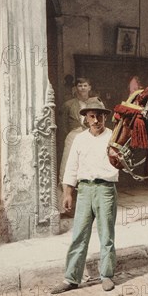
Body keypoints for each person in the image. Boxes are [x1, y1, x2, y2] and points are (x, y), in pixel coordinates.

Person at [50, 97, 119, 294]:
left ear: (105, 118)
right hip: (85, 190)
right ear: (86, 119)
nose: (96, 120)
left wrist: (120, 158)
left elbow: (123, 163)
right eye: (92, 116)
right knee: (79, 235)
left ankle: (106, 275)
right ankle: (71, 278)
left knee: (106, 235)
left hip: (105, 189)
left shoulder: (113, 136)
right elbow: (71, 167)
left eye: (100, 116)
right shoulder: (79, 139)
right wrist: (67, 193)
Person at [57, 77, 92, 209]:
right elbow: (63, 125)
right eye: (80, 85)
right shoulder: (68, 104)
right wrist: (71, 135)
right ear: (76, 88)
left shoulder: (95, 103)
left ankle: (89, 204)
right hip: (74, 135)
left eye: (85, 85)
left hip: (90, 136)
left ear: (90, 88)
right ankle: (64, 205)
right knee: (67, 167)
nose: (82, 88)